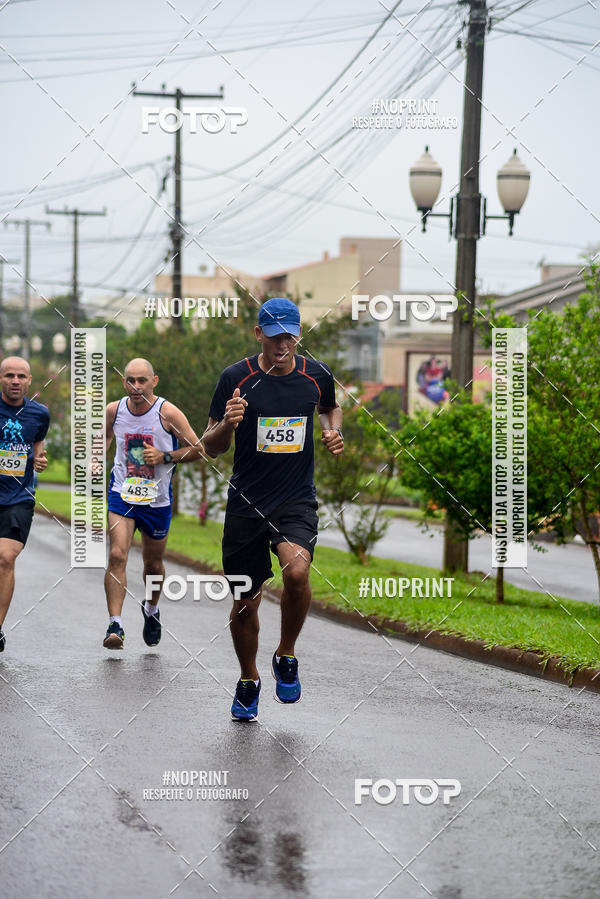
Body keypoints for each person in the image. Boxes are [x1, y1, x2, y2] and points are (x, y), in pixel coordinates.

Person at [202, 298, 344, 721]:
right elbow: (211, 446)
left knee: (297, 573)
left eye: (290, 337)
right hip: (246, 504)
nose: (283, 345)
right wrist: (228, 422)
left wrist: (332, 431)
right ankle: (249, 678)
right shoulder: (235, 377)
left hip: (294, 499)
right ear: (258, 333)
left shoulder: (316, 375)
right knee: (246, 601)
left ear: (298, 335)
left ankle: (285, 654)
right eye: (275, 336)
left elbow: (330, 407)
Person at [103, 358, 204, 650]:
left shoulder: (167, 413)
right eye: (130, 380)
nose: (136, 386)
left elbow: (199, 449)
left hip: (156, 500)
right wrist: (97, 459)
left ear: (154, 381)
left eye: (142, 381)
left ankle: (151, 609)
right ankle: (115, 624)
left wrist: (164, 456)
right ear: (124, 382)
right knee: (117, 555)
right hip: (122, 494)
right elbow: (104, 438)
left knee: (153, 563)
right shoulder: (114, 410)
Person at [0, 357, 49, 651]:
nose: (15, 381)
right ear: (1, 379)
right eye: (9, 375)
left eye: (21, 376)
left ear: (29, 380)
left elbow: (37, 445)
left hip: (19, 497)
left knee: (6, 558)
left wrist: (39, 459)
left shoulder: (39, 413)